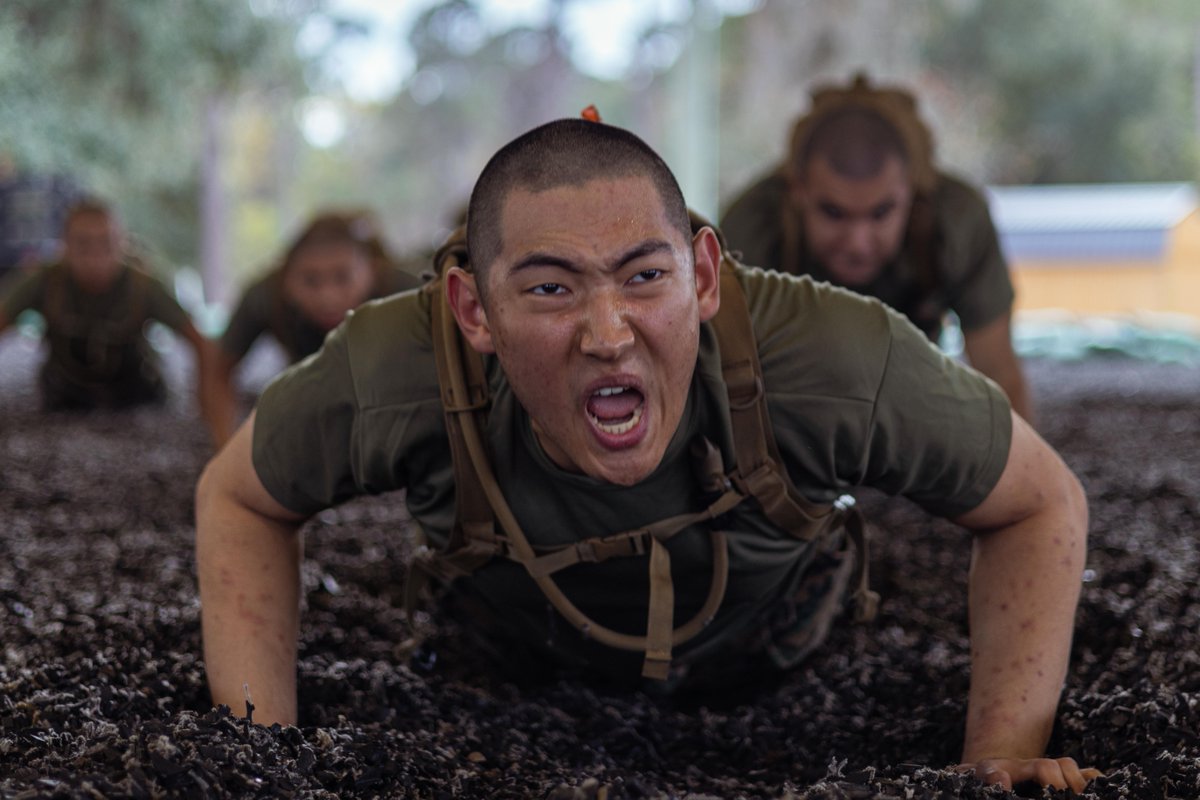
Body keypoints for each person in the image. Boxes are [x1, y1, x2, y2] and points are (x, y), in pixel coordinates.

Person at [195, 118, 1099, 792]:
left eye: (644, 277)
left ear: (704, 275)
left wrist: (1000, 759)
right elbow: (239, 496)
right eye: (550, 287)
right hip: (510, 663)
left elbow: (1039, 500)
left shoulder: (830, 358)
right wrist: (259, 758)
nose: (607, 333)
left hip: (776, 648)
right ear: (473, 311)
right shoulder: (394, 367)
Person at [720, 74, 1034, 422]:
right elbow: (724, 384)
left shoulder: (956, 221)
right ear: (798, 191)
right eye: (834, 213)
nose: (858, 243)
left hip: (913, 393)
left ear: (912, 193)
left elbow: (999, 374)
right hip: (787, 401)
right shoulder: (751, 229)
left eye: (881, 212)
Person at [208, 210, 424, 446]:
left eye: (342, 277)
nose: (327, 298)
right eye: (311, 280)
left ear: (372, 270)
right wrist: (226, 443)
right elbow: (218, 371)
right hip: (306, 392)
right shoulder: (265, 297)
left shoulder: (408, 294)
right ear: (286, 277)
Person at [0, 198, 219, 419]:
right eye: (83, 244)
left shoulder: (143, 285)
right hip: (66, 395)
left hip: (136, 395)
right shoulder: (45, 281)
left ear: (122, 244)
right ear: (65, 246)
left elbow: (201, 343)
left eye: (106, 244)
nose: (95, 258)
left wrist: (206, 405)